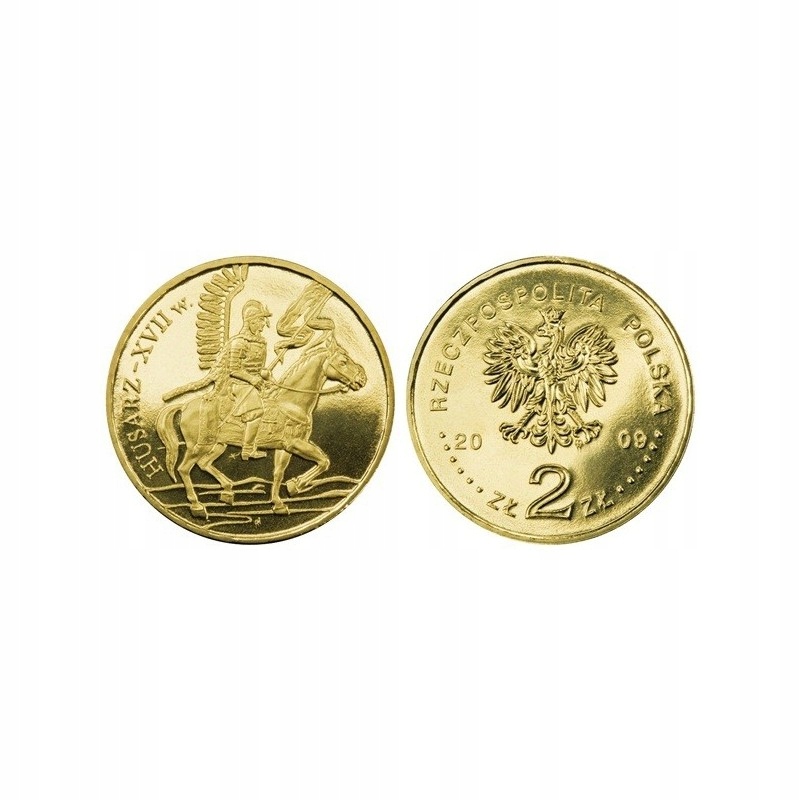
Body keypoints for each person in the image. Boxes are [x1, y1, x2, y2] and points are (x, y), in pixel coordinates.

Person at [215, 299, 273, 459]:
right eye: (261, 320)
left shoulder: (260, 342)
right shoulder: (239, 342)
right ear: (251, 321)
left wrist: (266, 376)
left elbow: (258, 367)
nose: (263, 324)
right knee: (257, 411)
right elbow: (233, 369)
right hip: (239, 384)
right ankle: (247, 450)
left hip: (255, 383)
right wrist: (252, 379)